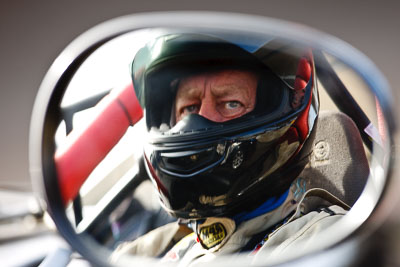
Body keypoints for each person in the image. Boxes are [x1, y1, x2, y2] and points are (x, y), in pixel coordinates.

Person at [111, 33, 351, 265]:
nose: (196, 126)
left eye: (230, 103)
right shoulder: (159, 248)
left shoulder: (323, 240)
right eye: (190, 108)